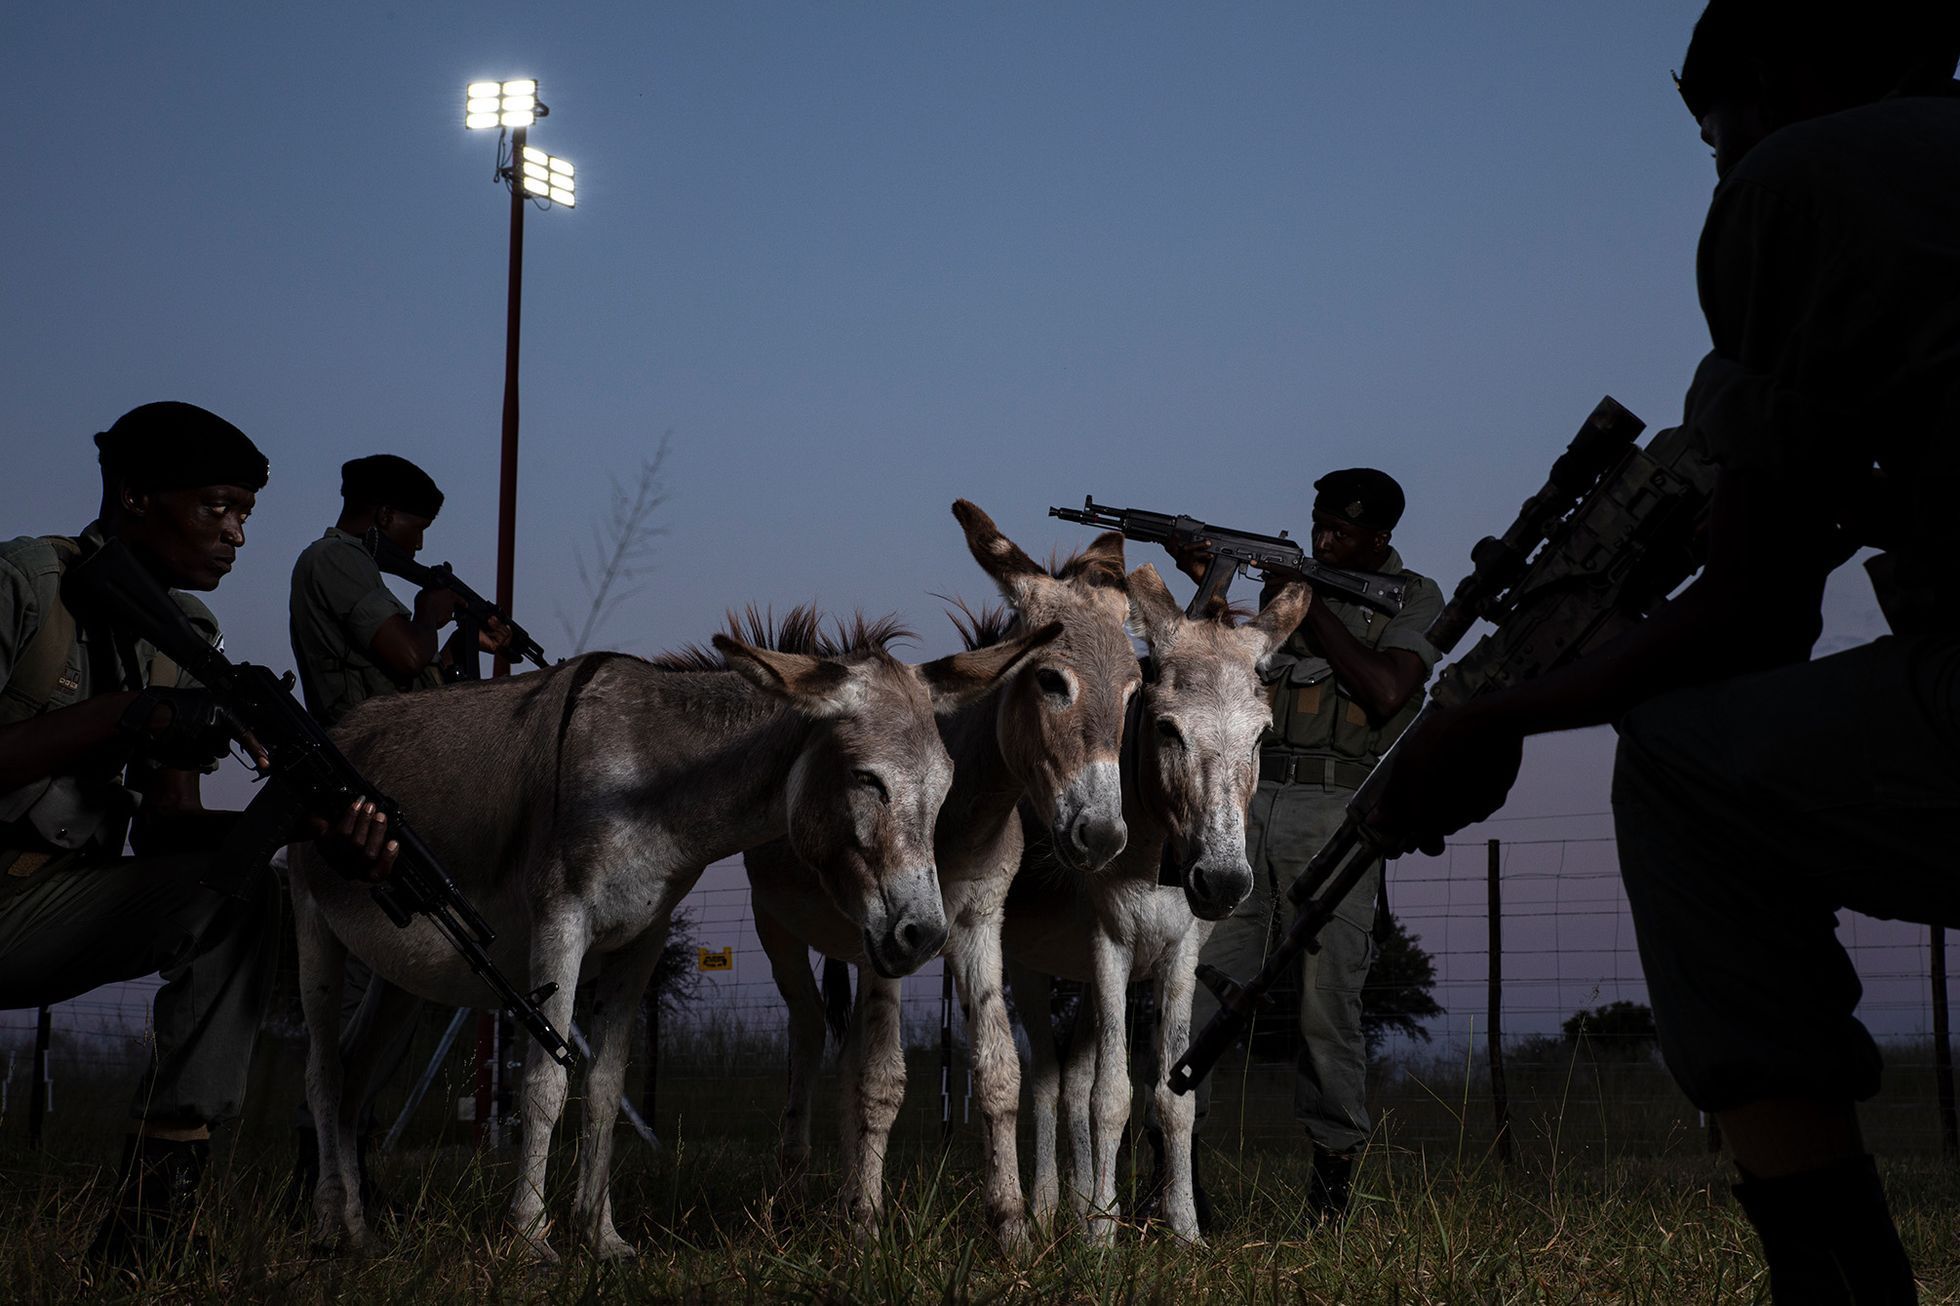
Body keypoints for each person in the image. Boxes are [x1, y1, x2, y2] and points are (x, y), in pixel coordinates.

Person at [1369, 5, 1960, 1299]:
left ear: (1786, 79)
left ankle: (1835, 1276)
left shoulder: (1797, 183)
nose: (1719, 167)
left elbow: (1757, 610)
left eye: (1714, 135)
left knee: (1683, 776)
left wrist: (1497, 715)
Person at [0, 402, 396, 1268]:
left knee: (245, 894)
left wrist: (305, 829)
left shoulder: (187, 637)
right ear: (137, 497)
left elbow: (171, 831)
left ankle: (154, 1223)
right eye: (217, 506)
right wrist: (123, 715)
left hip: (46, 906)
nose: (236, 535)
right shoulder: (26, 585)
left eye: (246, 513)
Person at [1163, 468, 1444, 1227]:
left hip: (1338, 809)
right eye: (1319, 525)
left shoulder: (1414, 596)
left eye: (1342, 532)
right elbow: (1233, 668)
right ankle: (1174, 1184)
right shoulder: (1292, 598)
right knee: (1195, 982)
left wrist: (1306, 598)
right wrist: (1208, 581)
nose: (1324, 539)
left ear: (1380, 537)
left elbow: (1388, 689)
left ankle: (1331, 1192)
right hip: (1247, 803)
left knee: (1328, 1006)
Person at [284, 453, 506, 1203]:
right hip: (349, 797)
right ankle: (317, 1176)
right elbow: (404, 655)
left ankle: (348, 1169)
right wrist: (432, 614)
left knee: (400, 991)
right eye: (413, 529)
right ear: (380, 514)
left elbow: (426, 688)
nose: (416, 548)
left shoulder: (364, 570)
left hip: (391, 795)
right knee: (343, 1000)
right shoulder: (336, 562)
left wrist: (465, 643)